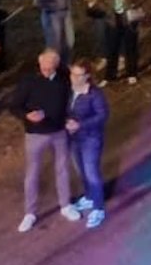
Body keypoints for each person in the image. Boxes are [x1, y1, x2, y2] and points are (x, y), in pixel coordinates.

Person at [9, 48, 73, 233]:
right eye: (43, 67)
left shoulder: (64, 80)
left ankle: (66, 205)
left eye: (49, 68)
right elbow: (14, 107)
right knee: (32, 174)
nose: (45, 71)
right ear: (39, 64)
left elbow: (68, 103)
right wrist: (27, 116)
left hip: (59, 132)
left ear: (56, 66)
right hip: (35, 135)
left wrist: (69, 119)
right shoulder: (29, 82)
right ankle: (30, 213)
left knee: (62, 169)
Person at [64, 60, 109, 228]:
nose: (74, 78)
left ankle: (98, 208)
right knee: (80, 169)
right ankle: (89, 196)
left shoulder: (94, 94)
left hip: (91, 138)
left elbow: (102, 115)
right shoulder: (70, 92)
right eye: (72, 74)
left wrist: (80, 125)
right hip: (74, 138)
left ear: (87, 76)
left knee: (91, 171)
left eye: (78, 75)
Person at [94, 0, 144, 84]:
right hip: (113, 18)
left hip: (128, 17)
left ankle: (131, 73)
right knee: (112, 47)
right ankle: (109, 76)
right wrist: (107, 8)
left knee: (130, 46)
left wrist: (135, 5)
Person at [35, 0, 74, 67]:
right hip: (53, 16)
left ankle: (66, 66)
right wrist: (54, 6)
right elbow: (38, 1)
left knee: (68, 43)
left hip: (65, 14)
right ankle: (53, 68)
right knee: (55, 45)